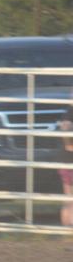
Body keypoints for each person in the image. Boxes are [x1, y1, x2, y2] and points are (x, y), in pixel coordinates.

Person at [59, 94, 73, 227]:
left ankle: (67, 229)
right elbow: (65, 126)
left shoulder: (68, 113)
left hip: (65, 160)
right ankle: (68, 227)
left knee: (69, 197)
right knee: (69, 197)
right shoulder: (69, 114)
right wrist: (69, 144)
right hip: (69, 161)